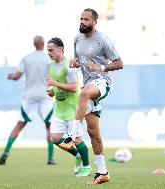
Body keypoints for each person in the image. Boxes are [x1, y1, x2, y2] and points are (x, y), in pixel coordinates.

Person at [64, 8, 123, 184]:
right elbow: (78, 61)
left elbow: (119, 63)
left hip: (102, 82)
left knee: (83, 94)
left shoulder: (103, 40)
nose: (82, 21)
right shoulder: (77, 38)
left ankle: (71, 137)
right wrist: (74, 63)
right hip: (88, 84)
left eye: (86, 19)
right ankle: (103, 172)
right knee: (93, 131)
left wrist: (102, 68)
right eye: (81, 18)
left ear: (95, 21)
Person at [0, 35, 56, 165]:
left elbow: (17, 76)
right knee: (49, 127)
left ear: (34, 44)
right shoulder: (49, 58)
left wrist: (11, 76)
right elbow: (55, 75)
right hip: (45, 95)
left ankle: (6, 152)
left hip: (29, 96)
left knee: (19, 125)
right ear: (43, 44)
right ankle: (51, 158)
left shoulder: (26, 58)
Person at [46, 37, 91, 177]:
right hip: (60, 110)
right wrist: (53, 91)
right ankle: (77, 155)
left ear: (61, 49)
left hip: (73, 110)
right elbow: (58, 84)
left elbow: (73, 87)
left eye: (51, 50)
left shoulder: (69, 65)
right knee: (54, 138)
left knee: (77, 140)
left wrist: (54, 83)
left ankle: (87, 166)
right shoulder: (51, 65)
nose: (49, 53)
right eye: (47, 50)